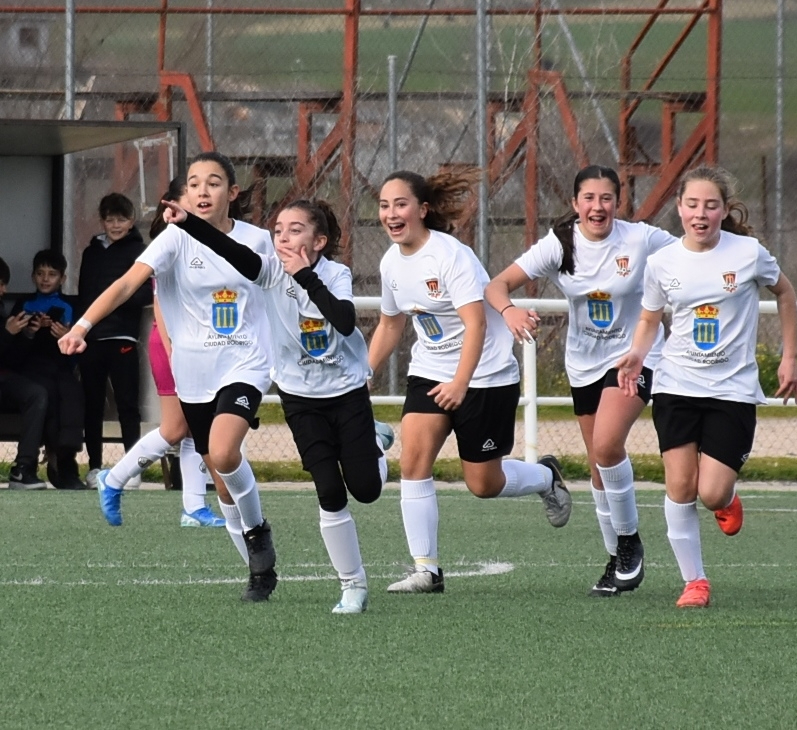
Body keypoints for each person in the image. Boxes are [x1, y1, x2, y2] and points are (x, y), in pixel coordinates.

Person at [60, 151, 280, 602]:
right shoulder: (174, 240)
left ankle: (259, 535)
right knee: (223, 482)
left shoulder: (258, 241)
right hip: (194, 371)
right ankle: (259, 574)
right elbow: (125, 284)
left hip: (245, 363)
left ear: (232, 194)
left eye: (214, 182)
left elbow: (279, 290)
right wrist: (82, 326)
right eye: (195, 182)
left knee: (222, 452)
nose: (203, 190)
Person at [163, 197, 391, 614]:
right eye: (279, 229)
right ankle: (352, 585)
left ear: (319, 241)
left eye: (296, 229)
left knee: (367, 489)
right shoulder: (268, 272)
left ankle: (373, 442)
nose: (284, 236)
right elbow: (231, 250)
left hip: (346, 392)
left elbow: (342, 320)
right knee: (328, 490)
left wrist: (305, 275)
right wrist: (190, 224)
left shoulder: (334, 273)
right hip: (300, 398)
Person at [366, 169, 572, 595]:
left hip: (486, 375)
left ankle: (546, 477)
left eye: (400, 204)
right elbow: (390, 324)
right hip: (430, 372)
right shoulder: (390, 263)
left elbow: (476, 324)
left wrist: (461, 383)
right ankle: (427, 570)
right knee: (413, 463)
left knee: (483, 484)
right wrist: (361, 375)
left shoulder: (449, 256)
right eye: (384, 206)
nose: (391, 214)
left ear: (422, 210)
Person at [615, 166, 797, 609]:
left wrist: (790, 357)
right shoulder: (662, 263)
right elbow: (649, 318)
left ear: (724, 210)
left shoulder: (749, 253)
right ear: (679, 208)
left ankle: (727, 499)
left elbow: (786, 294)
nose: (701, 214)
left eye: (711, 205)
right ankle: (694, 581)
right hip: (676, 385)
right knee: (680, 485)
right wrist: (638, 353)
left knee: (711, 491)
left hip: (732, 390)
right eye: (692, 205)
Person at [484, 165, 675, 597]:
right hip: (584, 364)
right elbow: (498, 285)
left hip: (634, 357)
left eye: (606, 198)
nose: (598, 206)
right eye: (589, 198)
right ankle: (616, 563)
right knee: (597, 469)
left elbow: (690, 257)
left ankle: (629, 544)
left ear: (618, 202)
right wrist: (509, 311)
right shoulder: (560, 243)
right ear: (575, 204)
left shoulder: (641, 239)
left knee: (608, 446)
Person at [84, 177, 225, 528]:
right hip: (172, 345)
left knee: (195, 428)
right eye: (192, 193)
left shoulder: (201, 241)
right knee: (176, 428)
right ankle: (113, 479)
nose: (201, 197)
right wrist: (175, 347)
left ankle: (193, 507)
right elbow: (159, 300)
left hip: (196, 347)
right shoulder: (170, 243)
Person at [77, 192, 152, 483]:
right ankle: (94, 467)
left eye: (121, 219)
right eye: (110, 220)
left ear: (131, 221)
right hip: (92, 339)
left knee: (127, 404)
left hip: (123, 336)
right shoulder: (91, 252)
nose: (116, 225)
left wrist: (119, 299)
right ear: (102, 221)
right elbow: (85, 293)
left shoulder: (139, 251)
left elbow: (146, 291)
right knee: (92, 404)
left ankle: (131, 469)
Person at [13, 249, 86, 490]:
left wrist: (66, 337)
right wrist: (29, 333)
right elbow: (12, 353)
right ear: (33, 276)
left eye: (52, 274)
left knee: (72, 394)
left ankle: (65, 461)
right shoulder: (23, 305)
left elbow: (78, 352)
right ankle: (41, 464)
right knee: (47, 393)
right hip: (31, 371)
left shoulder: (69, 306)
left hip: (60, 369)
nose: (46, 279)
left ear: (63, 279)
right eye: (41, 274)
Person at [0, 256, 49, 489]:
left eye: (3, 284)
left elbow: (12, 361)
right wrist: (7, 335)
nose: (3, 290)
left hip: (4, 379)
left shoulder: (3, 313)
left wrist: (27, 335)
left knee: (36, 393)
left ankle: (24, 468)